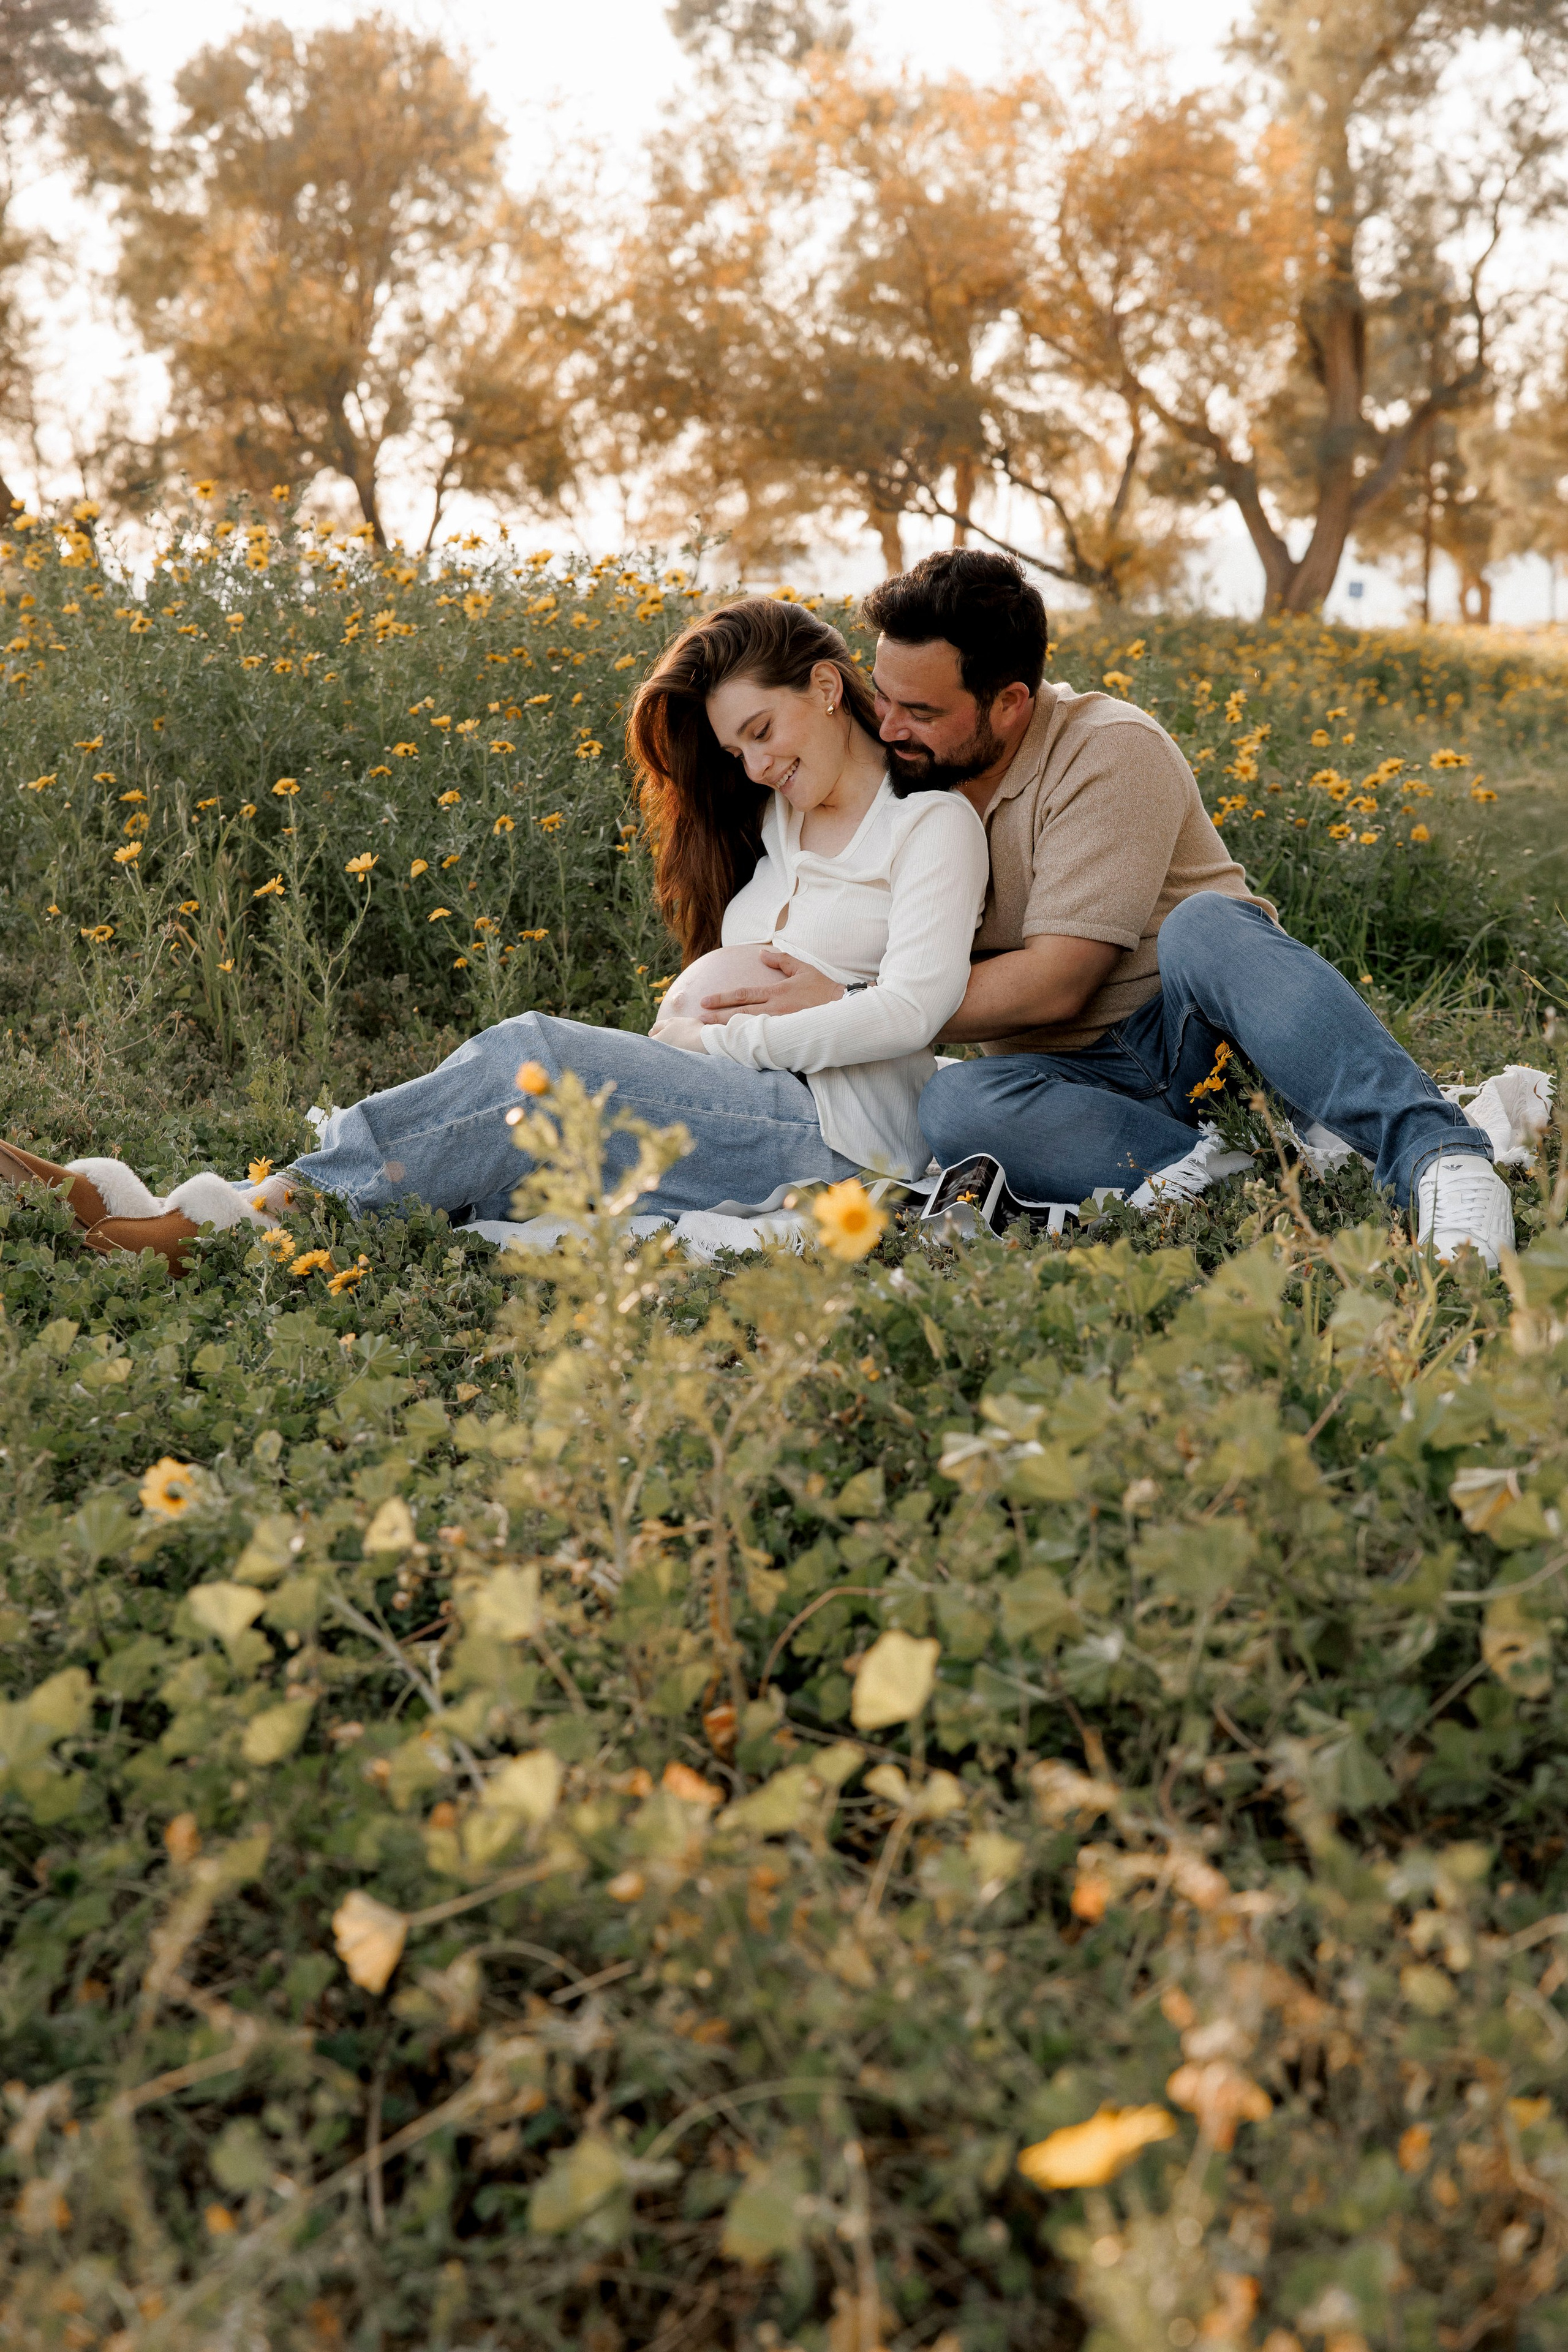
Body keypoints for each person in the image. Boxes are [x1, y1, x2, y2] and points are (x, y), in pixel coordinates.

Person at [2, 600, 988, 1266]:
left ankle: (212, 1226)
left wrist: (725, 1041)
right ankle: (158, 1212)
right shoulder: (777, 824)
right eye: (736, 751)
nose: (755, 766)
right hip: (748, 1104)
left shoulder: (930, 827)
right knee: (504, 1150)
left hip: (836, 1136)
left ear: (826, 688)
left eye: (762, 732)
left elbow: (916, 1009)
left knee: (535, 1060)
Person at [695, 549, 1515, 1267]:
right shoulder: (908, 780)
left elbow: (1061, 983)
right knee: (953, 1104)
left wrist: (856, 1003)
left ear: (1011, 703)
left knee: (1206, 924)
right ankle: (1247, 1175)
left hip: (1197, 1037)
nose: (890, 726)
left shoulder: (1106, 748)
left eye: (924, 712)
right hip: (1071, 1084)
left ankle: (1441, 1157)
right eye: (885, 697)